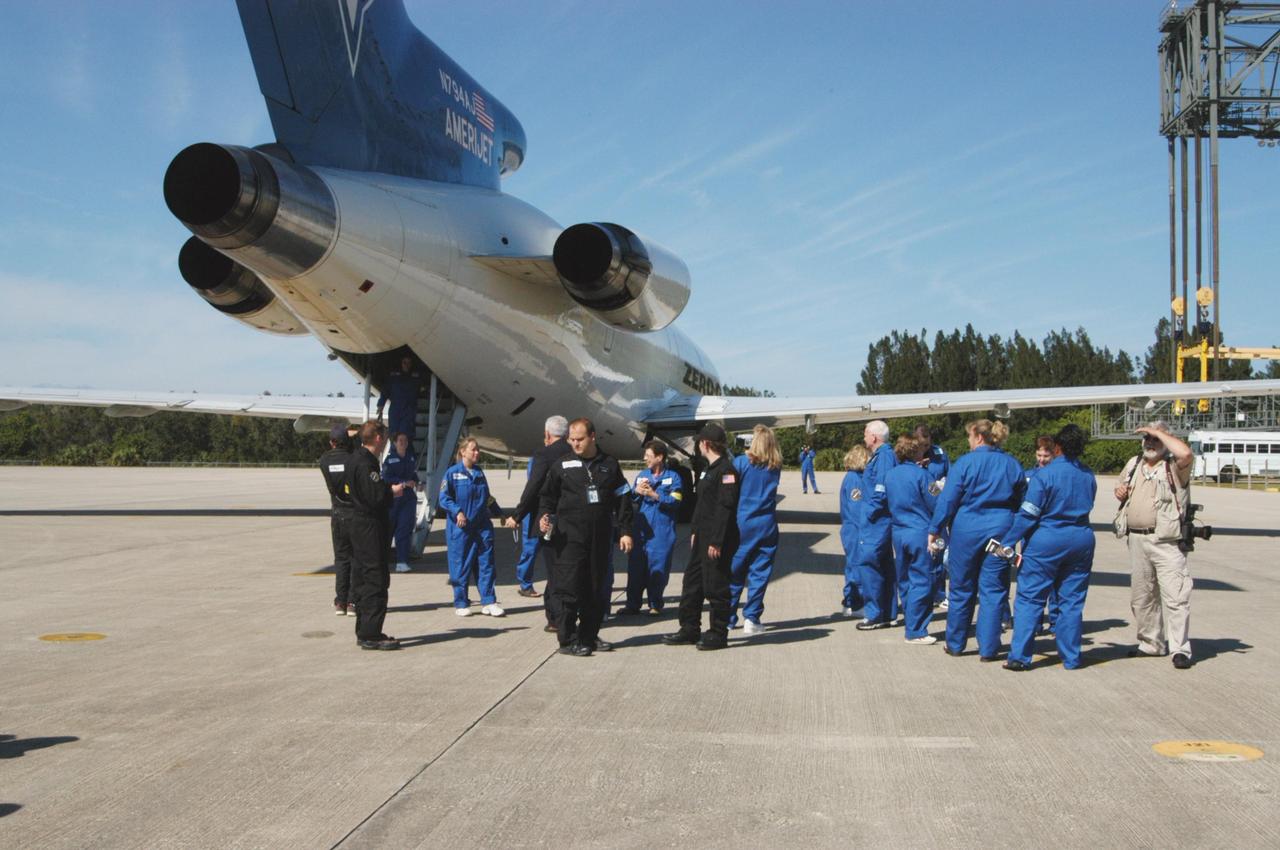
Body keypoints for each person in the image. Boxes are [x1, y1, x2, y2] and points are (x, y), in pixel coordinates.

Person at [999, 424, 1097, 671]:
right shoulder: (1088, 475)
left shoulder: (1045, 475)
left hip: (1048, 538)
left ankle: (1020, 656)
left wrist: (1008, 541)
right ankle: (1071, 658)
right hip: (1081, 537)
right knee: (1072, 601)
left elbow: (1029, 514)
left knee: (1030, 598)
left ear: (1057, 447)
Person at [538, 418, 634, 657]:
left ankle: (588, 637)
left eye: (580, 439)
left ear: (593, 437)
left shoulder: (610, 465)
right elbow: (547, 497)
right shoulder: (562, 465)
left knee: (595, 591)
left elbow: (623, 498)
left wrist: (625, 531)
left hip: (599, 539)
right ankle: (567, 640)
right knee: (568, 590)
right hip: (569, 540)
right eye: (572, 439)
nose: (575, 444)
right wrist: (544, 516)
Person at [927, 419, 1023, 660]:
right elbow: (1021, 500)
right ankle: (989, 649)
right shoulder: (1012, 464)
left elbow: (948, 500)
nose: (968, 441)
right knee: (994, 589)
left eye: (969, 436)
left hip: (967, 529)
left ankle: (956, 643)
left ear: (978, 437)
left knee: (961, 588)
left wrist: (935, 529)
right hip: (1001, 530)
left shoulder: (965, 463)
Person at [1113, 421, 1196, 669]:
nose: (1150, 443)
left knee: (1175, 596)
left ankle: (1180, 649)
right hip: (1137, 539)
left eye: (1155, 439)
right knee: (1142, 597)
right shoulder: (1134, 463)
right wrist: (1119, 491)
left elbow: (1186, 453)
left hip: (1166, 541)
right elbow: (1121, 487)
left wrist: (1160, 432)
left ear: (1165, 439)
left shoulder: (1173, 466)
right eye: (1147, 438)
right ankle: (1151, 643)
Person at [663, 423, 740, 650]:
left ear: (705, 443)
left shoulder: (726, 471)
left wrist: (717, 541)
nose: (697, 445)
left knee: (716, 586)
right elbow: (702, 505)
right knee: (692, 583)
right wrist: (695, 531)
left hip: (718, 538)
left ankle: (718, 633)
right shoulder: (708, 468)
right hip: (702, 535)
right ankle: (689, 628)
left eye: (699, 442)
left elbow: (725, 508)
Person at [505, 415, 573, 631]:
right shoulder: (575, 452)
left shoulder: (544, 454)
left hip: (549, 520)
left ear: (547, 434)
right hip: (575, 519)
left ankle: (554, 619)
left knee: (554, 571)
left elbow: (533, 487)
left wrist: (517, 515)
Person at [347, 421, 409, 650]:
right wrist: (390, 491)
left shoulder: (356, 459)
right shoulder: (366, 464)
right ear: (378, 439)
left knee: (364, 577)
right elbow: (375, 497)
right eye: (384, 437)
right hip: (370, 526)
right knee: (375, 579)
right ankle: (371, 634)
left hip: (359, 524)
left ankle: (364, 630)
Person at [438, 437, 506, 617]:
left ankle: (489, 601)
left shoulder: (479, 473)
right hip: (461, 529)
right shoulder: (452, 473)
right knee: (460, 566)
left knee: (486, 564)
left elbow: (487, 497)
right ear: (463, 452)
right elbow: (444, 498)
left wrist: (499, 512)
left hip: (482, 527)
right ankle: (461, 602)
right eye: (473, 449)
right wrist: (457, 512)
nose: (477, 452)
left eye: (478, 450)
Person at [728, 424, 783, 634]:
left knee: (735, 571)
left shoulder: (741, 463)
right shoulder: (775, 466)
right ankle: (752, 617)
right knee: (760, 573)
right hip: (767, 523)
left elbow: (729, 490)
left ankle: (728, 617)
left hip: (743, 522)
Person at [886, 436, 940, 645]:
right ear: (915, 453)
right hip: (919, 530)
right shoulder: (922, 475)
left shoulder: (890, 475)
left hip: (898, 531)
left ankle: (911, 621)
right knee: (923, 580)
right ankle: (916, 630)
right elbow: (936, 502)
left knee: (905, 579)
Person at [621, 439, 682, 616]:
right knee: (635, 568)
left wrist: (655, 495)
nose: (645, 458)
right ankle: (632, 604)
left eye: (648, 456)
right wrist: (636, 492)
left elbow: (676, 500)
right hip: (641, 530)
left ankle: (655, 604)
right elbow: (631, 500)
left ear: (659, 457)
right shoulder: (641, 475)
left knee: (658, 568)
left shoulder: (674, 477)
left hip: (662, 531)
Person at [855, 420, 899, 630]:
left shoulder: (884, 457)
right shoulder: (882, 456)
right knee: (884, 565)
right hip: (878, 519)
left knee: (869, 563)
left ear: (873, 437)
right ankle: (887, 613)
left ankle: (874, 614)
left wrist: (870, 513)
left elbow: (881, 489)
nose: (864, 437)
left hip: (877, 521)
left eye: (865, 433)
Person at [319, 424, 357, 616]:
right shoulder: (353, 458)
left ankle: (340, 601)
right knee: (355, 558)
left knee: (341, 559)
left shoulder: (324, 460)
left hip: (337, 513)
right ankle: (352, 601)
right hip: (354, 512)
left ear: (332, 442)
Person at [1024, 435, 1058, 635]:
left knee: (1054, 581)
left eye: (1046, 455)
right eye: (1039, 455)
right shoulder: (1028, 475)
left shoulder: (1056, 475)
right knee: (1032, 581)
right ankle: (1035, 622)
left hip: (1049, 531)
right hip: (1030, 533)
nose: (1042, 459)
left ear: (1054, 454)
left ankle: (1055, 621)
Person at [914, 423, 950, 606]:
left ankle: (940, 594)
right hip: (919, 512)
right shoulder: (909, 455)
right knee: (921, 556)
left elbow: (950, 477)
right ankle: (922, 595)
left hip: (937, 509)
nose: (925, 449)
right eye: (922, 445)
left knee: (940, 550)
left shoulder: (940, 454)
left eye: (927, 445)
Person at [838, 444, 870, 617]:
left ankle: (850, 601)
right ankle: (855, 603)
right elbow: (856, 508)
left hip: (851, 528)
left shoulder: (853, 477)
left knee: (853, 566)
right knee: (856, 567)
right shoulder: (854, 479)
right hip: (855, 529)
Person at [381, 431, 419, 574]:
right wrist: (402, 483)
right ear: (395, 443)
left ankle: (402, 561)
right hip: (394, 497)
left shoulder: (410, 458)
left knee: (404, 529)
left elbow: (413, 474)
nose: (403, 443)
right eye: (400, 441)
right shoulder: (390, 460)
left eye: (405, 441)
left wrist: (417, 482)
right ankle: (382, 559)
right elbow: (386, 477)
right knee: (388, 529)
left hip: (408, 498)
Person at [375, 355, 426, 449]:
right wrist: (380, 404)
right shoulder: (393, 377)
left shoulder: (416, 377)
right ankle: (394, 453)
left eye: (409, 363)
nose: (406, 365)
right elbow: (385, 390)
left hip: (409, 410)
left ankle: (407, 455)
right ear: (401, 363)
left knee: (406, 434)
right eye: (404, 363)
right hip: (396, 409)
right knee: (394, 434)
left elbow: (423, 389)